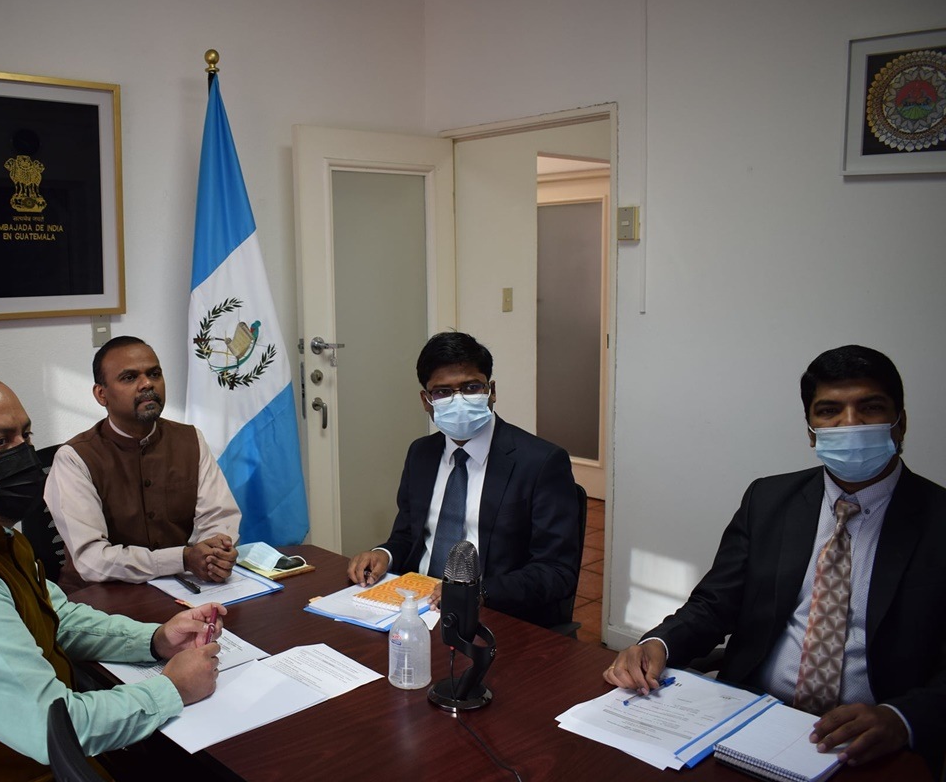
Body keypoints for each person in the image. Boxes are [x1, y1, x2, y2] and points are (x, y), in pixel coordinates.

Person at [0, 375, 224, 781]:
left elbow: (56, 618)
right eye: (0, 442)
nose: (25, 456)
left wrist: (155, 639)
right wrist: (172, 689)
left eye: (25, 436)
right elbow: (54, 730)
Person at [604, 345, 945, 775]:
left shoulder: (936, 520)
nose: (850, 423)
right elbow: (714, 603)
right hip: (750, 715)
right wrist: (659, 642)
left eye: (870, 407)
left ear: (901, 422)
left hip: (871, 742)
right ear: (811, 431)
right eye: (829, 411)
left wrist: (902, 718)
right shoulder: (768, 499)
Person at [346, 331, 581, 629]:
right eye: (443, 392)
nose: (458, 400)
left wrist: (477, 592)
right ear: (426, 401)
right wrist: (384, 554)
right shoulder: (421, 453)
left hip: (496, 616)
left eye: (471, 387)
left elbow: (557, 571)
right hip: (416, 609)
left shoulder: (541, 462)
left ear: (491, 391)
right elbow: (408, 536)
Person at [45, 337, 241, 591]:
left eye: (154, 374)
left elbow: (219, 517)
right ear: (101, 394)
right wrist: (182, 558)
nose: (147, 384)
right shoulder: (74, 458)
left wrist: (214, 553)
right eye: (129, 377)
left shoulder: (190, 440)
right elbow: (92, 560)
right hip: (99, 596)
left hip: (183, 588)